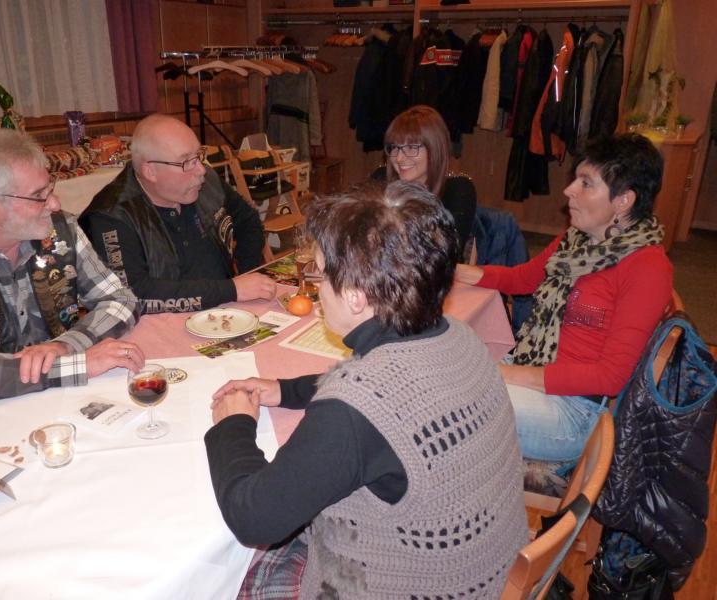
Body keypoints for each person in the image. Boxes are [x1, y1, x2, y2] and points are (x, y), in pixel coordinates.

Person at [207, 182, 527, 598]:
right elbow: (394, 394)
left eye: (320, 275)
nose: (318, 289)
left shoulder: (353, 411)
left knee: (222, 577)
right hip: (483, 574)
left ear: (356, 297)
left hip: (409, 586)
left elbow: (254, 518)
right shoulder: (458, 336)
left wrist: (232, 425)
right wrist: (285, 390)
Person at [455, 133, 673, 463]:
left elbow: (610, 378)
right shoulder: (577, 241)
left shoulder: (647, 268)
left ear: (623, 200)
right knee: (442, 377)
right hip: (535, 374)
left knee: (449, 407)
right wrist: (459, 272)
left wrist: (502, 373)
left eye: (586, 183)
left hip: (574, 411)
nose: (569, 190)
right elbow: (523, 278)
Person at [0, 126, 143, 403]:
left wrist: (65, 346)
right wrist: (72, 366)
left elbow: (121, 299)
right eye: (38, 196)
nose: (55, 204)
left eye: (50, 189)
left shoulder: (60, 230)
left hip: (59, 401)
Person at [79, 114, 276, 314]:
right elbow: (132, 294)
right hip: (160, 323)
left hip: (224, 311)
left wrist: (246, 275)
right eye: (186, 162)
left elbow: (249, 221)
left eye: (198, 156)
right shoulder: (112, 216)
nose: (201, 170)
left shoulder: (206, 183)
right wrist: (231, 290)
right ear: (150, 171)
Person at [378, 104, 477, 249]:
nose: (399, 158)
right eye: (394, 147)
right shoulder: (380, 179)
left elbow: (447, 251)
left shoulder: (457, 190)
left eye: (411, 147)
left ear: (434, 149)